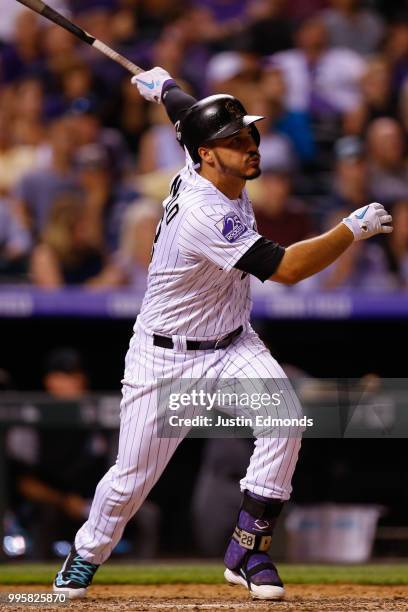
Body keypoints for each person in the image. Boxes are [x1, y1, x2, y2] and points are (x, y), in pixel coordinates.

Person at [53, 66, 393, 601]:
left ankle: (248, 547)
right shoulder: (203, 212)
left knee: (284, 421)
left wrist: (162, 86)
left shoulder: (204, 159)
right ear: (205, 154)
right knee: (130, 479)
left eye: (250, 134)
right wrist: (350, 230)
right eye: (234, 141)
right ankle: (86, 554)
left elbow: (183, 111)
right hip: (165, 357)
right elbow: (286, 270)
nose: (250, 145)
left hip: (233, 340)